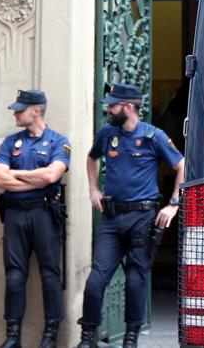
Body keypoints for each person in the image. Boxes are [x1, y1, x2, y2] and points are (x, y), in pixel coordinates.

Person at [75, 83, 185, 348]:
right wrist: (93, 189)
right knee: (95, 280)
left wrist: (173, 204)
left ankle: (130, 337)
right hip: (112, 219)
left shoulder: (153, 136)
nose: (109, 109)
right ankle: (87, 337)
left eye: (112, 105)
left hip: (142, 219)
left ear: (128, 107)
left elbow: (182, 165)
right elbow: (92, 159)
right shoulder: (107, 134)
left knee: (136, 280)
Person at [0, 89, 71, 348]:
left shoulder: (59, 142)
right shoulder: (10, 142)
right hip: (15, 214)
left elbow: (52, 177)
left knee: (50, 273)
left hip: (45, 214)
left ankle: (50, 334)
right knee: (14, 275)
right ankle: (12, 335)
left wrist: (17, 175)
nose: (15, 113)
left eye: (20, 109)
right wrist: (36, 176)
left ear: (35, 111)